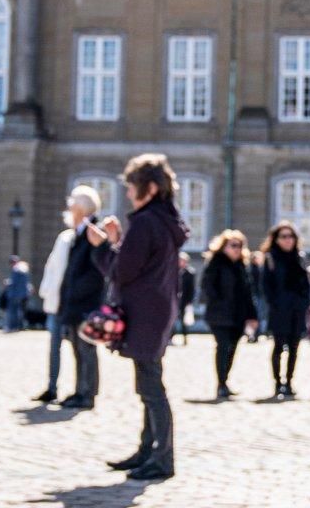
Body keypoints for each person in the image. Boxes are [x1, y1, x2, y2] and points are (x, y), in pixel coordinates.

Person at [90, 153, 189, 481]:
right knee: (148, 382)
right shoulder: (162, 220)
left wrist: (103, 247)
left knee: (151, 387)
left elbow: (121, 272)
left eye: (132, 187)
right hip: (156, 310)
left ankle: (162, 457)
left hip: (144, 312)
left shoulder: (145, 221)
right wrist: (119, 242)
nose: (129, 193)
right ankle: (148, 449)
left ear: (148, 188)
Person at [55, 186, 108, 410]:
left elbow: (96, 271)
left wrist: (77, 294)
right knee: (77, 351)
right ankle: (79, 391)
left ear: (81, 209)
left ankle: (88, 394)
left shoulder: (92, 232)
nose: (69, 209)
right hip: (75, 303)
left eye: (72, 206)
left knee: (86, 350)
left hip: (87, 303)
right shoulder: (79, 233)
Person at [33, 195, 82, 404]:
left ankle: (81, 390)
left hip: (72, 302)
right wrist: (46, 292)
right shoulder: (64, 237)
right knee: (54, 347)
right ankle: (52, 387)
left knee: (79, 349)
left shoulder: (82, 238)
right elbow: (52, 267)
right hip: (57, 301)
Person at [200, 229, 259, 400]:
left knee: (232, 348)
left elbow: (249, 293)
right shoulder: (215, 263)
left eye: (239, 246)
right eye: (233, 245)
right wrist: (219, 301)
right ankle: (220, 384)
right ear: (224, 246)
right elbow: (207, 287)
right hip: (219, 315)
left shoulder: (241, 266)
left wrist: (252, 315)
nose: (236, 249)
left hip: (238, 315)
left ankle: (225, 382)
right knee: (223, 346)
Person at [260, 221, 310, 398]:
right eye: (284, 236)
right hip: (279, 310)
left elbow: (306, 285)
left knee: (294, 348)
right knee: (278, 347)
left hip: (297, 310)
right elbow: (266, 286)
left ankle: (289, 382)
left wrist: (304, 303)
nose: (288, 240)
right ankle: (277, 383)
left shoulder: (300, 257)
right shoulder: (271, 258)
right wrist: (275, 303)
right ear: (276, 239)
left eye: (291, 236)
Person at [174, 252, 197, 345]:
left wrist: (190, 301)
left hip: (184, 300)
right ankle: (170, 337)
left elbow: (191, 289)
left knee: (184, 321)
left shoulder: (190, 273)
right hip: (174, 300)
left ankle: (185, 337)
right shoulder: (174, 271)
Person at [5, 259, 32, 332]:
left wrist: (8, 283)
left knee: (13, 311)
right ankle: (20, 326)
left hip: (14, 294)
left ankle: (12, 326)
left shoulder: (16, 271)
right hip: (23, 295)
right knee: (20, 311)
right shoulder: (25, 271)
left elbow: (13, 283)